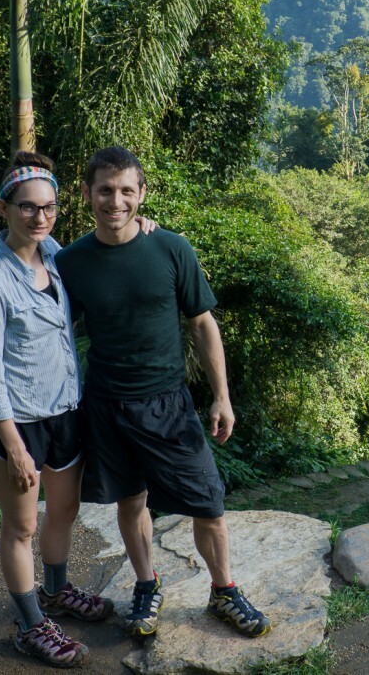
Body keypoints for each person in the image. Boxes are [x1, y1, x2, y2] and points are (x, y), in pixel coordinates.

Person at [55, 146, 271, 639]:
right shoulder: (70, 262)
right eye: (105, 190)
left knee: (208, 504)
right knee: (131, 504)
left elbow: (202, 323)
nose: (116, 201)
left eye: (127, 190)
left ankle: (224, 591)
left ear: (142, 194)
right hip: (106, 404)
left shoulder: (171, 248)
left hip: (169, 403)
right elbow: (52, 332)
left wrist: (222, 395)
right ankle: (147, 586)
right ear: (87, 193)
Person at [0, 151, 113, 668]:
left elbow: (96, 253)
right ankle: (30, 625)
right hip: (18, 423)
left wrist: (141, 225)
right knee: (21, 528)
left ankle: (55, 592)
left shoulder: (52, 253)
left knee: (65, 510)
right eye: (27, 207)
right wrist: (14, 448)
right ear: (4, 208)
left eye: (48, 206)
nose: (40, 217)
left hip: (65, 410)